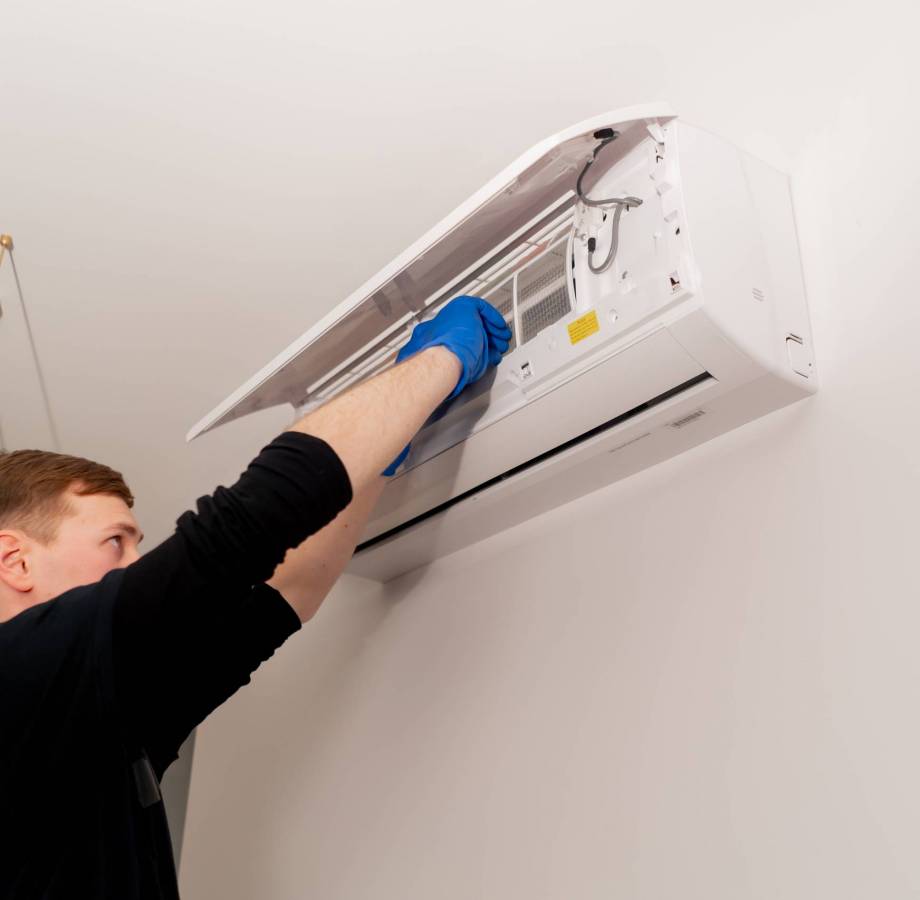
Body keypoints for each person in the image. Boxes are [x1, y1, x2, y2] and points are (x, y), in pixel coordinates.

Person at [0, 296, 512, 899]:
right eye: (115, 542)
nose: (134, 566)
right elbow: (247, 526)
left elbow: (286, 591)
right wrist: (438, 361)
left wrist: (388, 452)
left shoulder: (105, 717)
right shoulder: (14, 671)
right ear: (16, 560)